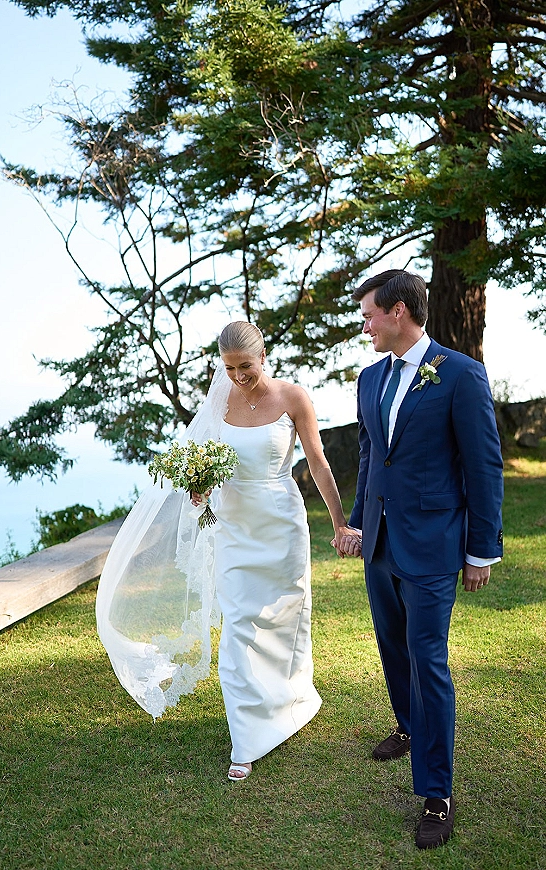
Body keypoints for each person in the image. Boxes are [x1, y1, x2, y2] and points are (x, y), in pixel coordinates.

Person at [96, 321, 350, 783]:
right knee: (237, 625)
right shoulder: (220, 402)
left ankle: (289, 702)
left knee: (284, 616)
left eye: (246, 366)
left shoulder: (294, 398)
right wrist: (200, 489)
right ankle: (246, 739)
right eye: (229, 368)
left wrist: (339, 522)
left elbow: (317, 462)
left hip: (280, 522)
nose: (238, 377)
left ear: (264, 356)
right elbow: (209, 464)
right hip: (234, 525)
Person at [337, 270, 503, 849]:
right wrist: (357, 522)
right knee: (391, 645)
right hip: (381, 542)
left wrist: (481, 549)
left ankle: (437, 792)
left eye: (369, 316)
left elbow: (484, 468)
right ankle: (408, 728)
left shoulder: (460, 375)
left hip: (435, 545)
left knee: (427, 658)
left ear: (400, 312)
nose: (364, 326)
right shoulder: (369, 378)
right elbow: (370, 456)